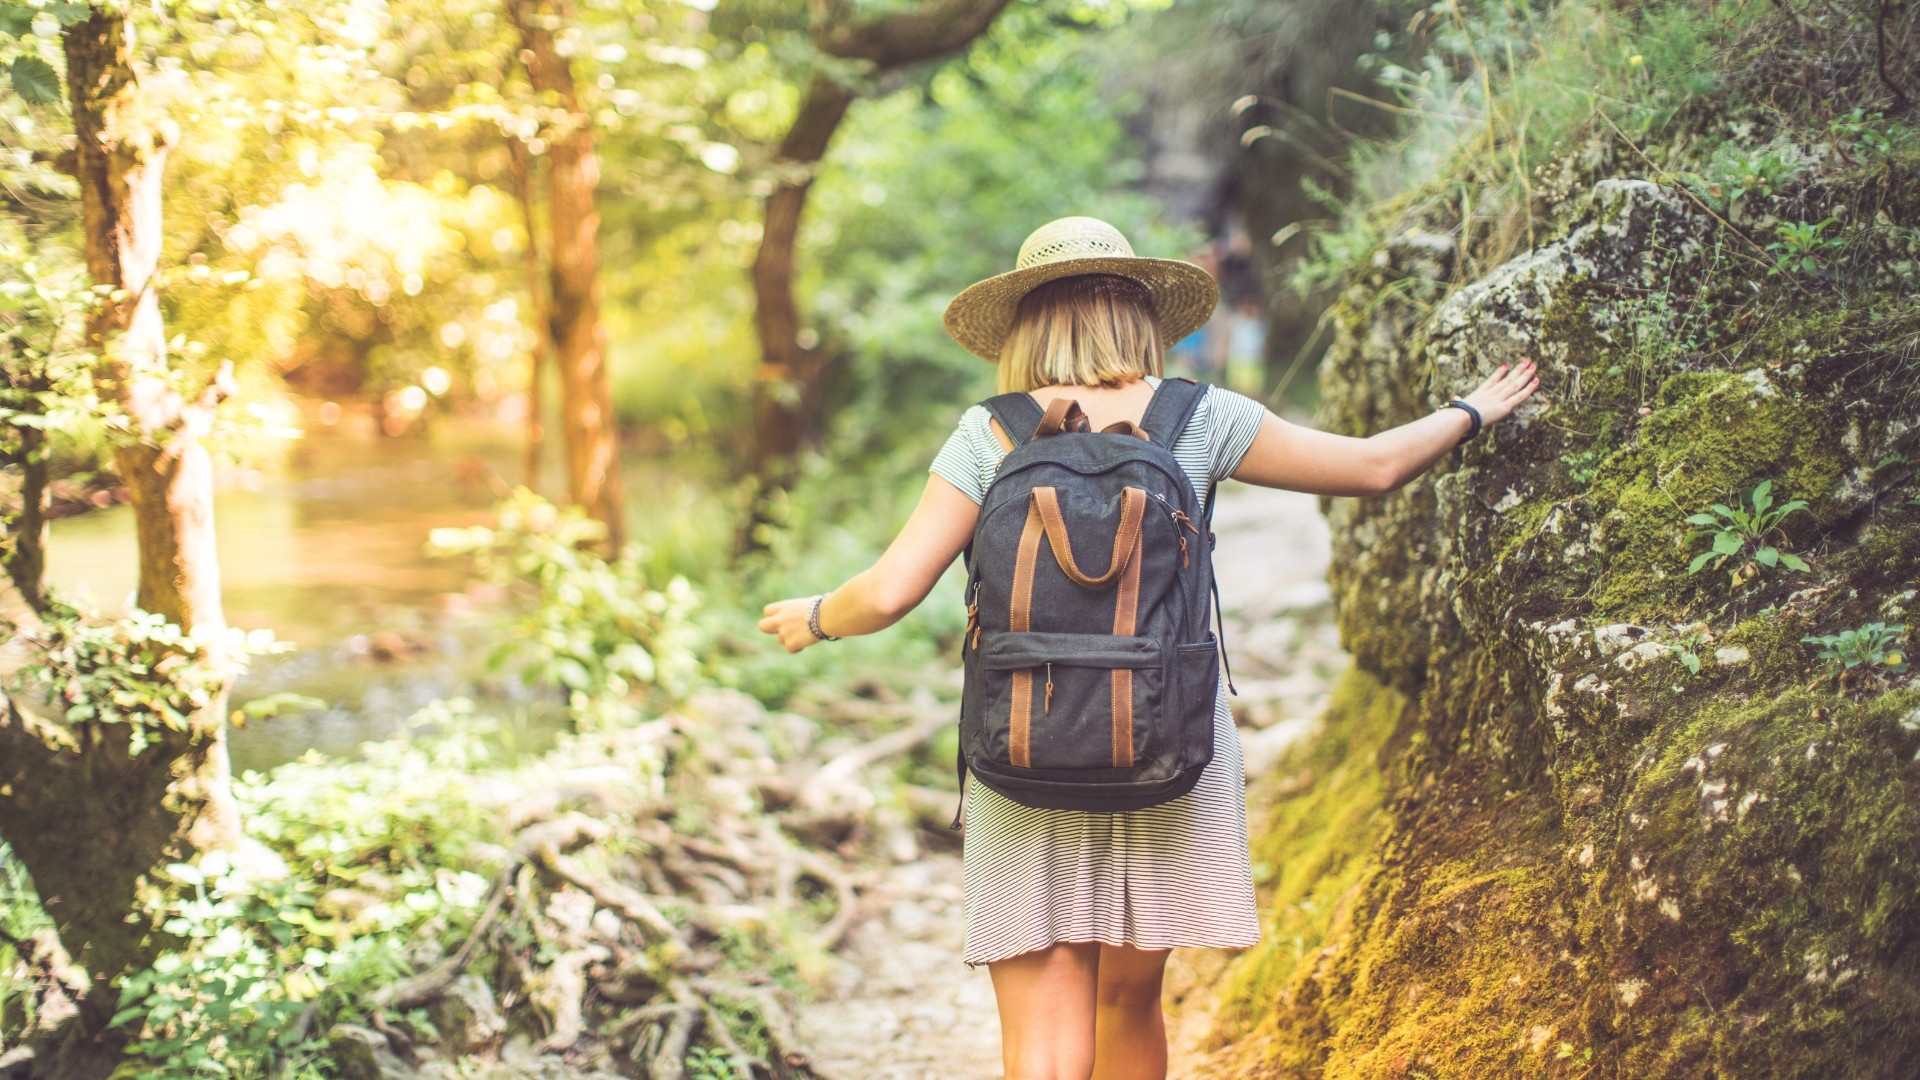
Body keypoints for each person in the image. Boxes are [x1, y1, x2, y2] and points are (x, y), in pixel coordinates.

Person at [758, 217, 1540, 1080]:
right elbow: (1372, 467)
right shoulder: (1200, 418)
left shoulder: (989, 433)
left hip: (1025, 746)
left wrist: (819, 615)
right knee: (1128, 1002)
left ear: (1023, 325)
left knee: (1046, 1040)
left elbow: (891, 591)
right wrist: (1472, 410)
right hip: (1167, 746)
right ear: (1141, 316)